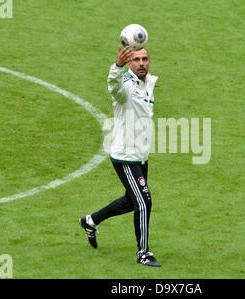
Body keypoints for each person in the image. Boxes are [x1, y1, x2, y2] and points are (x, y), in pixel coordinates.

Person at [79, 45, 160, 267]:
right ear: (129, 63)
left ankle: (90, 221)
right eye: (136, 60)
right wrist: (117, 67)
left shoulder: (148, 84)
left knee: (131, 200)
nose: (142, 63)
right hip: (125, 156)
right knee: (144, 202)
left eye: (145, 59)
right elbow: (113, 86)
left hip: (141, 155)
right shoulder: (124, 86)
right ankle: (143, 253)